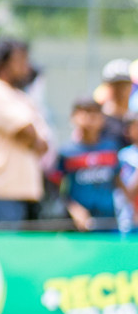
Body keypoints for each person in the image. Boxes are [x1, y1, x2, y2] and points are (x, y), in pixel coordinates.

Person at [0, 39, 50, 229]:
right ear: (2, 63)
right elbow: (28, 132)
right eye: (20, 60)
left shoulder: (20, 96)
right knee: (5, 255)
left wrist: (34, 139)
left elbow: (44, 142)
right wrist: (33, 139)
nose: (26, 66)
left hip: (20, 194)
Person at [55, 98, 121, 232]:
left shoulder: (111, 148)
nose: (90, 118)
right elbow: (56, 189)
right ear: (73, 117)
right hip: (77, 224)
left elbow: (119, 183)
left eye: (95, 113)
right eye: (84, 112)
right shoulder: (66, 152)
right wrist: (73, 208)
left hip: (108, 221)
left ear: (103, 119)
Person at [94, 59, 132, 142]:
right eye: (117, 86)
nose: (121, 90)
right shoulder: (99, 118)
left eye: (125, 85)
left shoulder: (134, 116)